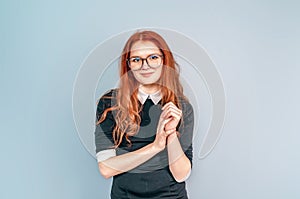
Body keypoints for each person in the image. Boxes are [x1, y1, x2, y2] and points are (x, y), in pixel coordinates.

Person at [94, 30, 194, 199]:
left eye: (153, 57)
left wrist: (170, 134)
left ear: (164, 60)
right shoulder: (109, 103)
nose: (145, 65)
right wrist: (155, 146)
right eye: (136, 60)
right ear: (128, 65)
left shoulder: (182, 107)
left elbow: (181, 175)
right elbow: (106, 168)